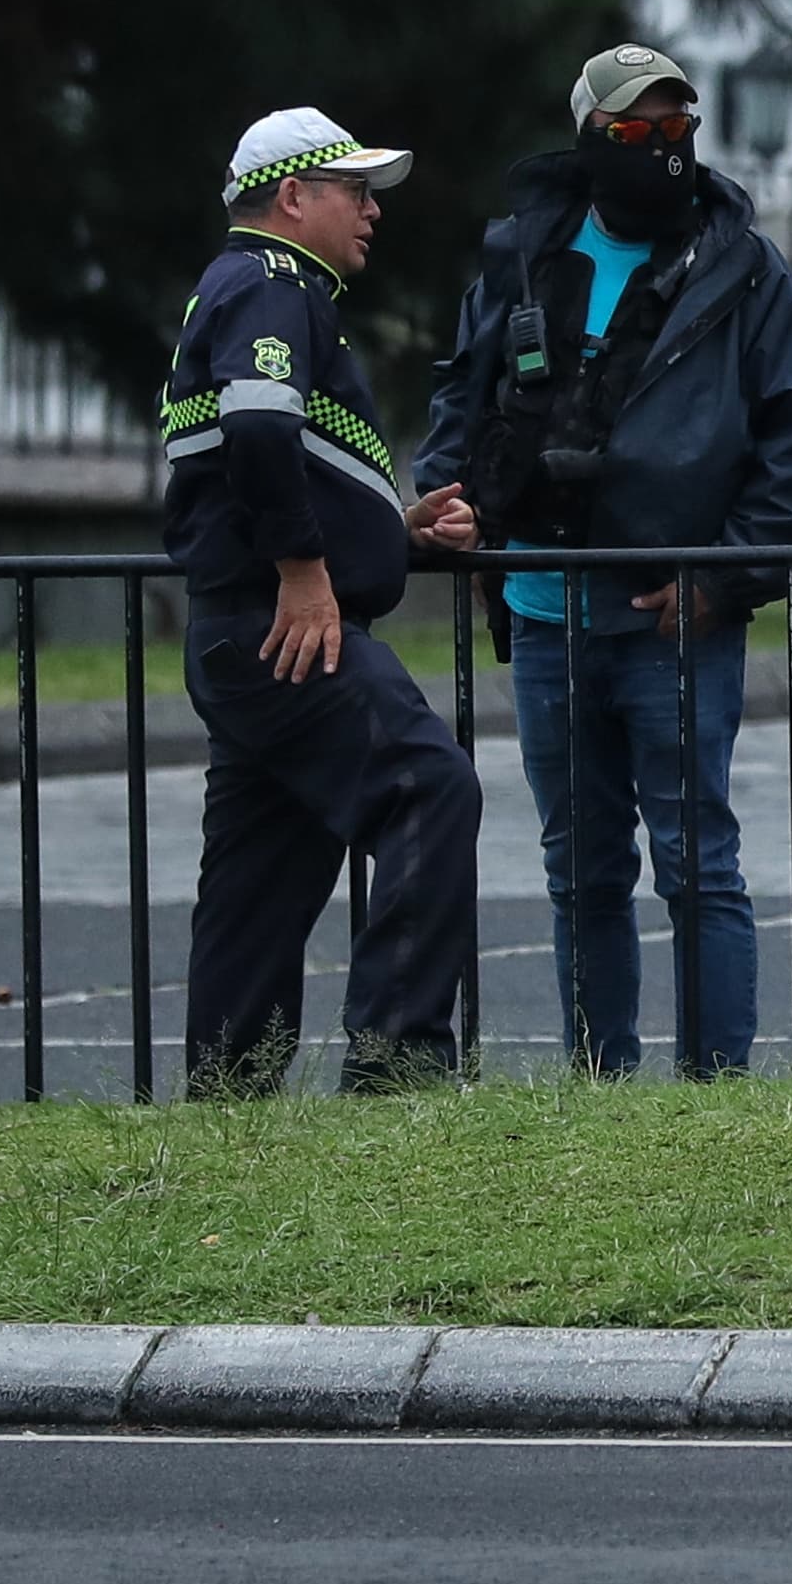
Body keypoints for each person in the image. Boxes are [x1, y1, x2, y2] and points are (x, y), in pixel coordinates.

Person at [415, 45, 792, 1077]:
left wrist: (722, 578)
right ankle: (598, 1078)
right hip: (543, 608)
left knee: (699, 864)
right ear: (592, 139)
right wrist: (446, 501)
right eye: (636, 133)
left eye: (676, 131)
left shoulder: (745, 271)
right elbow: (460, 401)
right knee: (581, 871)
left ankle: (717, 1088)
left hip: (671, 624)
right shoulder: (521, 258)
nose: (662, 150)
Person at [161, 111, 483, 1093]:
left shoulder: (241, 287)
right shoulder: (273, 283)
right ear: (293, 198)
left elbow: (274, 452)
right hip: (283, 623)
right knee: (430, 788)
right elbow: (259, 430)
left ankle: (228, 1092)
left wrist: (392, 529)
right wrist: (307, 571)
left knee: (259, 878)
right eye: (356, 190)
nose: (372, 211)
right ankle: (396, 1066)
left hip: (236, 631)